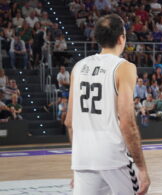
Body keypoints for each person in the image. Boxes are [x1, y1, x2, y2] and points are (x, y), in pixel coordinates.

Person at [64, 14, 150, 195]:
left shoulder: (79, 67)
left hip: (82, 159)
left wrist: (79, 163)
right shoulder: (124, 67)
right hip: (114, 158)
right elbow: (127, 121)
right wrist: (141, 168)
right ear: (121, 38)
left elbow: (69, 122)